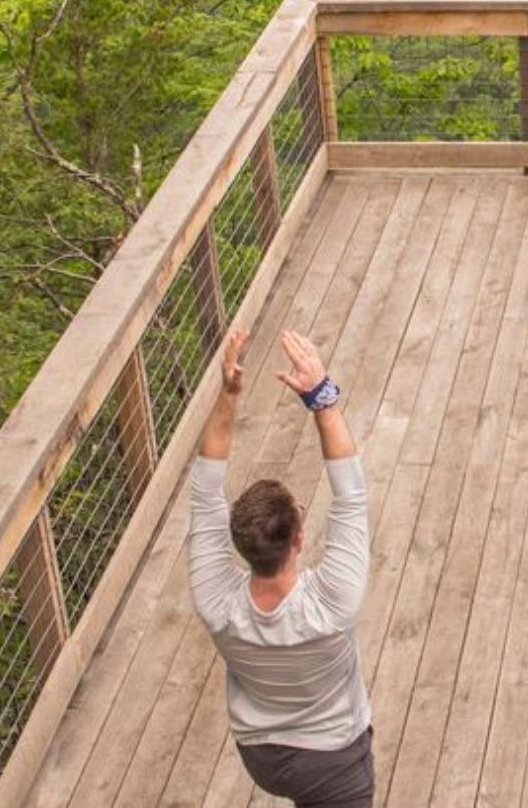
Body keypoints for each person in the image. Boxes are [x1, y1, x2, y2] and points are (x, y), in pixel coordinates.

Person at [188, 327, 372, 808]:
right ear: (300, 539)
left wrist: (229, 394)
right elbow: (350, 494)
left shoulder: (216, 602)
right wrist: (321, 397)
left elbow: (205, 492)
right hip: (334, 762)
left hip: (262, 755)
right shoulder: (331, 603)